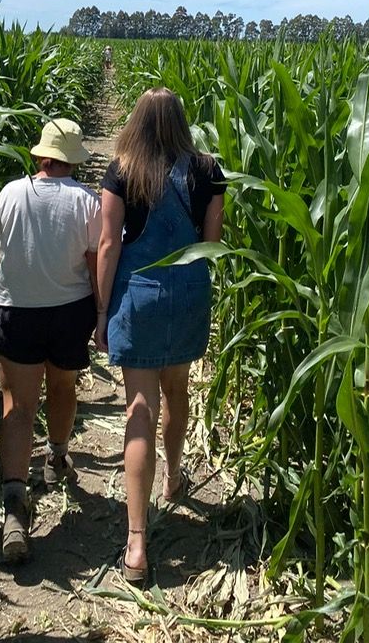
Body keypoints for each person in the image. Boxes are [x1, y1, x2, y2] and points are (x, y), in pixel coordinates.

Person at [95, 88, 226, 584]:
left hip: (141, 295)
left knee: (139, 409)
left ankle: (136, 542)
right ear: (180, 119)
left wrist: (102, 312)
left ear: (139, 121)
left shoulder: (123, 169)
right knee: (178, 391)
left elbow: (108, 244)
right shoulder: (208, 170)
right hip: (188, 291)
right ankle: (173, 479)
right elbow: (211, 243)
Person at [0, 118, 100, 564]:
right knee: (63, 388)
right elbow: (94, 262)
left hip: (15, 312)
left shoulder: (12, 193)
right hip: (69, 312)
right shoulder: (87, 201)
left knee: (17, 405)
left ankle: (14, 506)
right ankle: (55, 458)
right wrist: (102, 313)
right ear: (73, 160)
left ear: (40, 157)